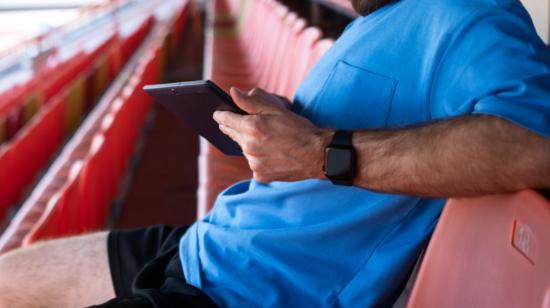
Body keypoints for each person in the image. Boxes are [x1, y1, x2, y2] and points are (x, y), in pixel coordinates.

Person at [1, 0, 549, 307]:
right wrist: (285, 125)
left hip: (245, 297)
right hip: (205, 247)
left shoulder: (471, 15)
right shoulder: (377, 23)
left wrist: (317, 152)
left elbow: (534, 147)